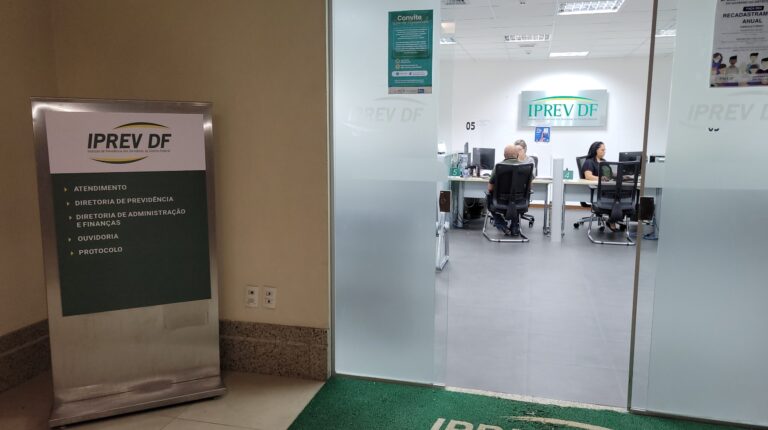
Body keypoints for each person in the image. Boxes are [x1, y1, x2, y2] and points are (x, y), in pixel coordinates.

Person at [486, 144, 533, 236]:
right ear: (517, 155)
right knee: (515, 200)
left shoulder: (498, 167)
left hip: (500, 202)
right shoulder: (526, 167)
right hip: (519, 202)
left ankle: (502, 225)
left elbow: (490, 188)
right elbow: (530, 187)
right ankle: (514, 226)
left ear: (504, 155)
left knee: (488, 200)